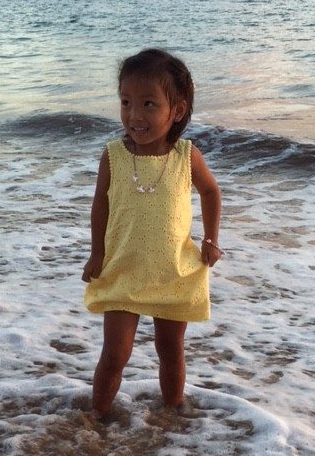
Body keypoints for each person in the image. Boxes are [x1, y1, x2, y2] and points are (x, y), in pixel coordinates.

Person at [82, 48, 222, 416]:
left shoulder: (185, 156)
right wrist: (97, 252)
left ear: (176, 111)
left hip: (172, 271)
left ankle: (173, 414)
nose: (134, 115)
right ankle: (95, 418)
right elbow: (101, 205)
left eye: (148, 104)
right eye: (126, 102)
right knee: (115, 354)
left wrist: (210, 239)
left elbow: (211, 191)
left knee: (170, 350)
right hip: (124, 268)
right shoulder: (113, 155)